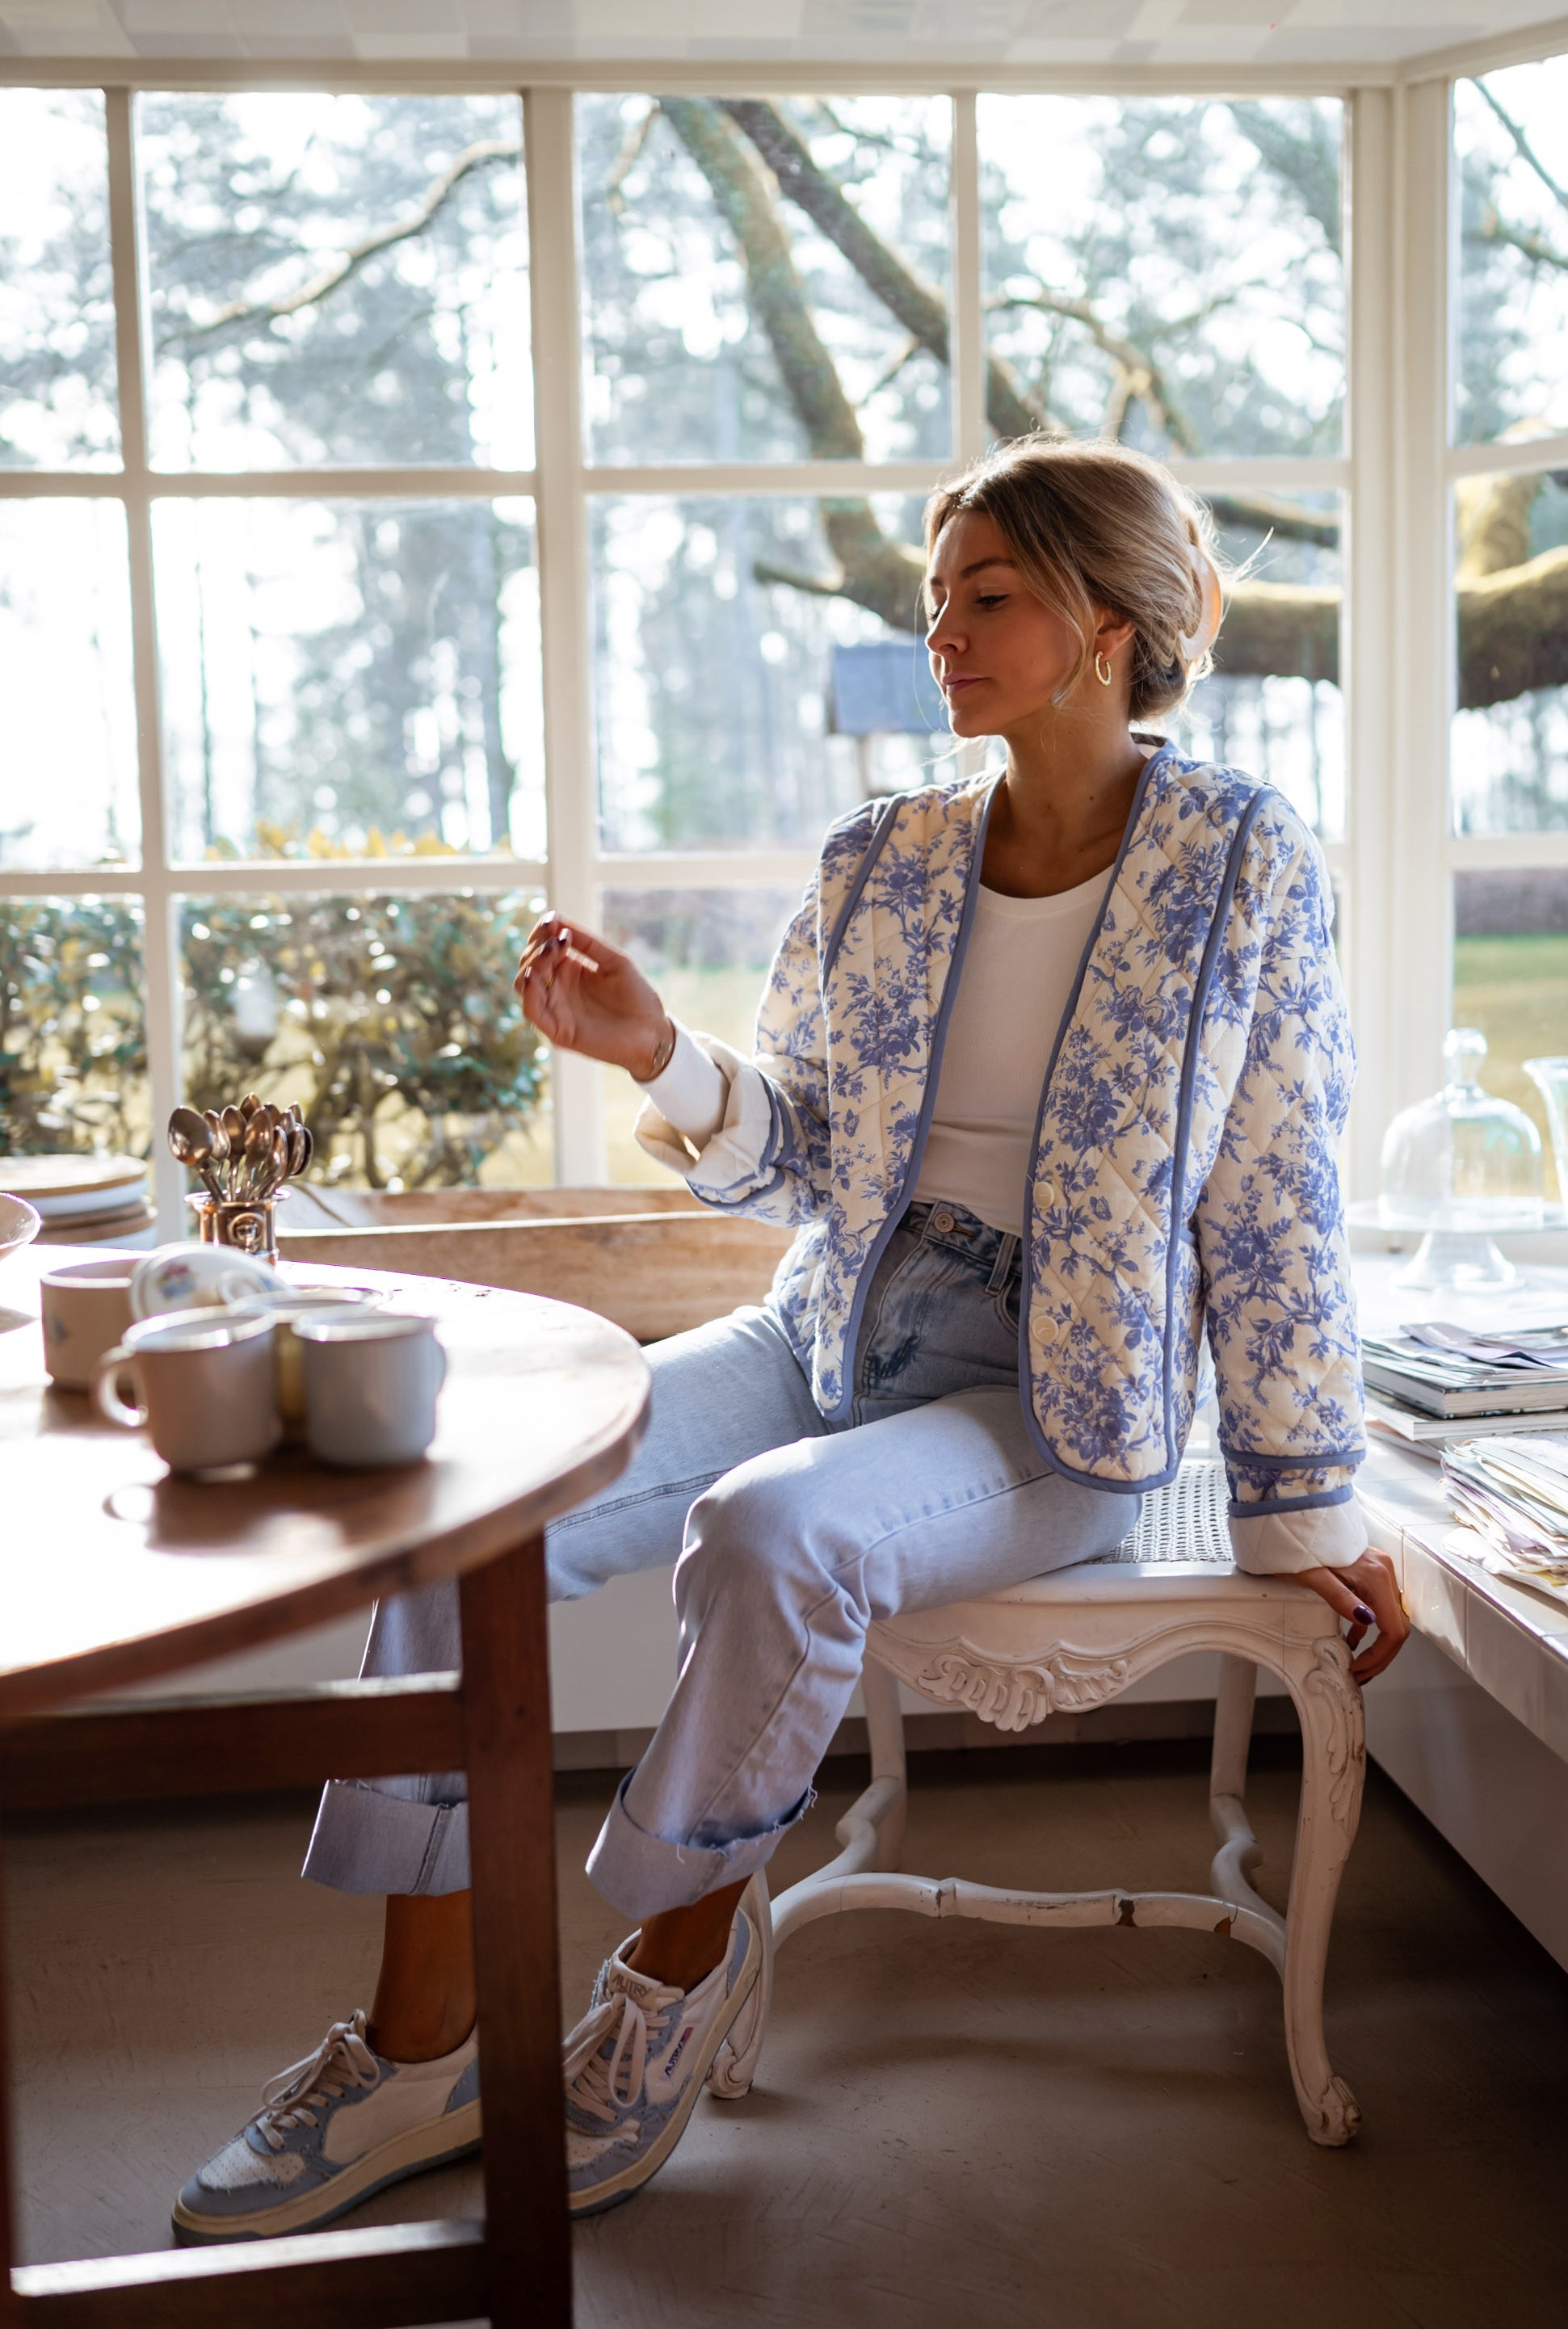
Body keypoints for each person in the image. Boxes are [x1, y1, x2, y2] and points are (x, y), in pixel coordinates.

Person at [173, 436, 1407, 2243]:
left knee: (774, 1531)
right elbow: (802, 1160)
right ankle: (414, 2040)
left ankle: (658, 2003)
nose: (943, 631)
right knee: (464, 1512)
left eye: (987, 595)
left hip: (1050, 1398)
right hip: (833, 1320)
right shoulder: (881, 860)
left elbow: (1275, 1197)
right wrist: (656, 1053)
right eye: (934, 600)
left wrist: (1309, 1501)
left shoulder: (1240, 861)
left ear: (1108, 620)